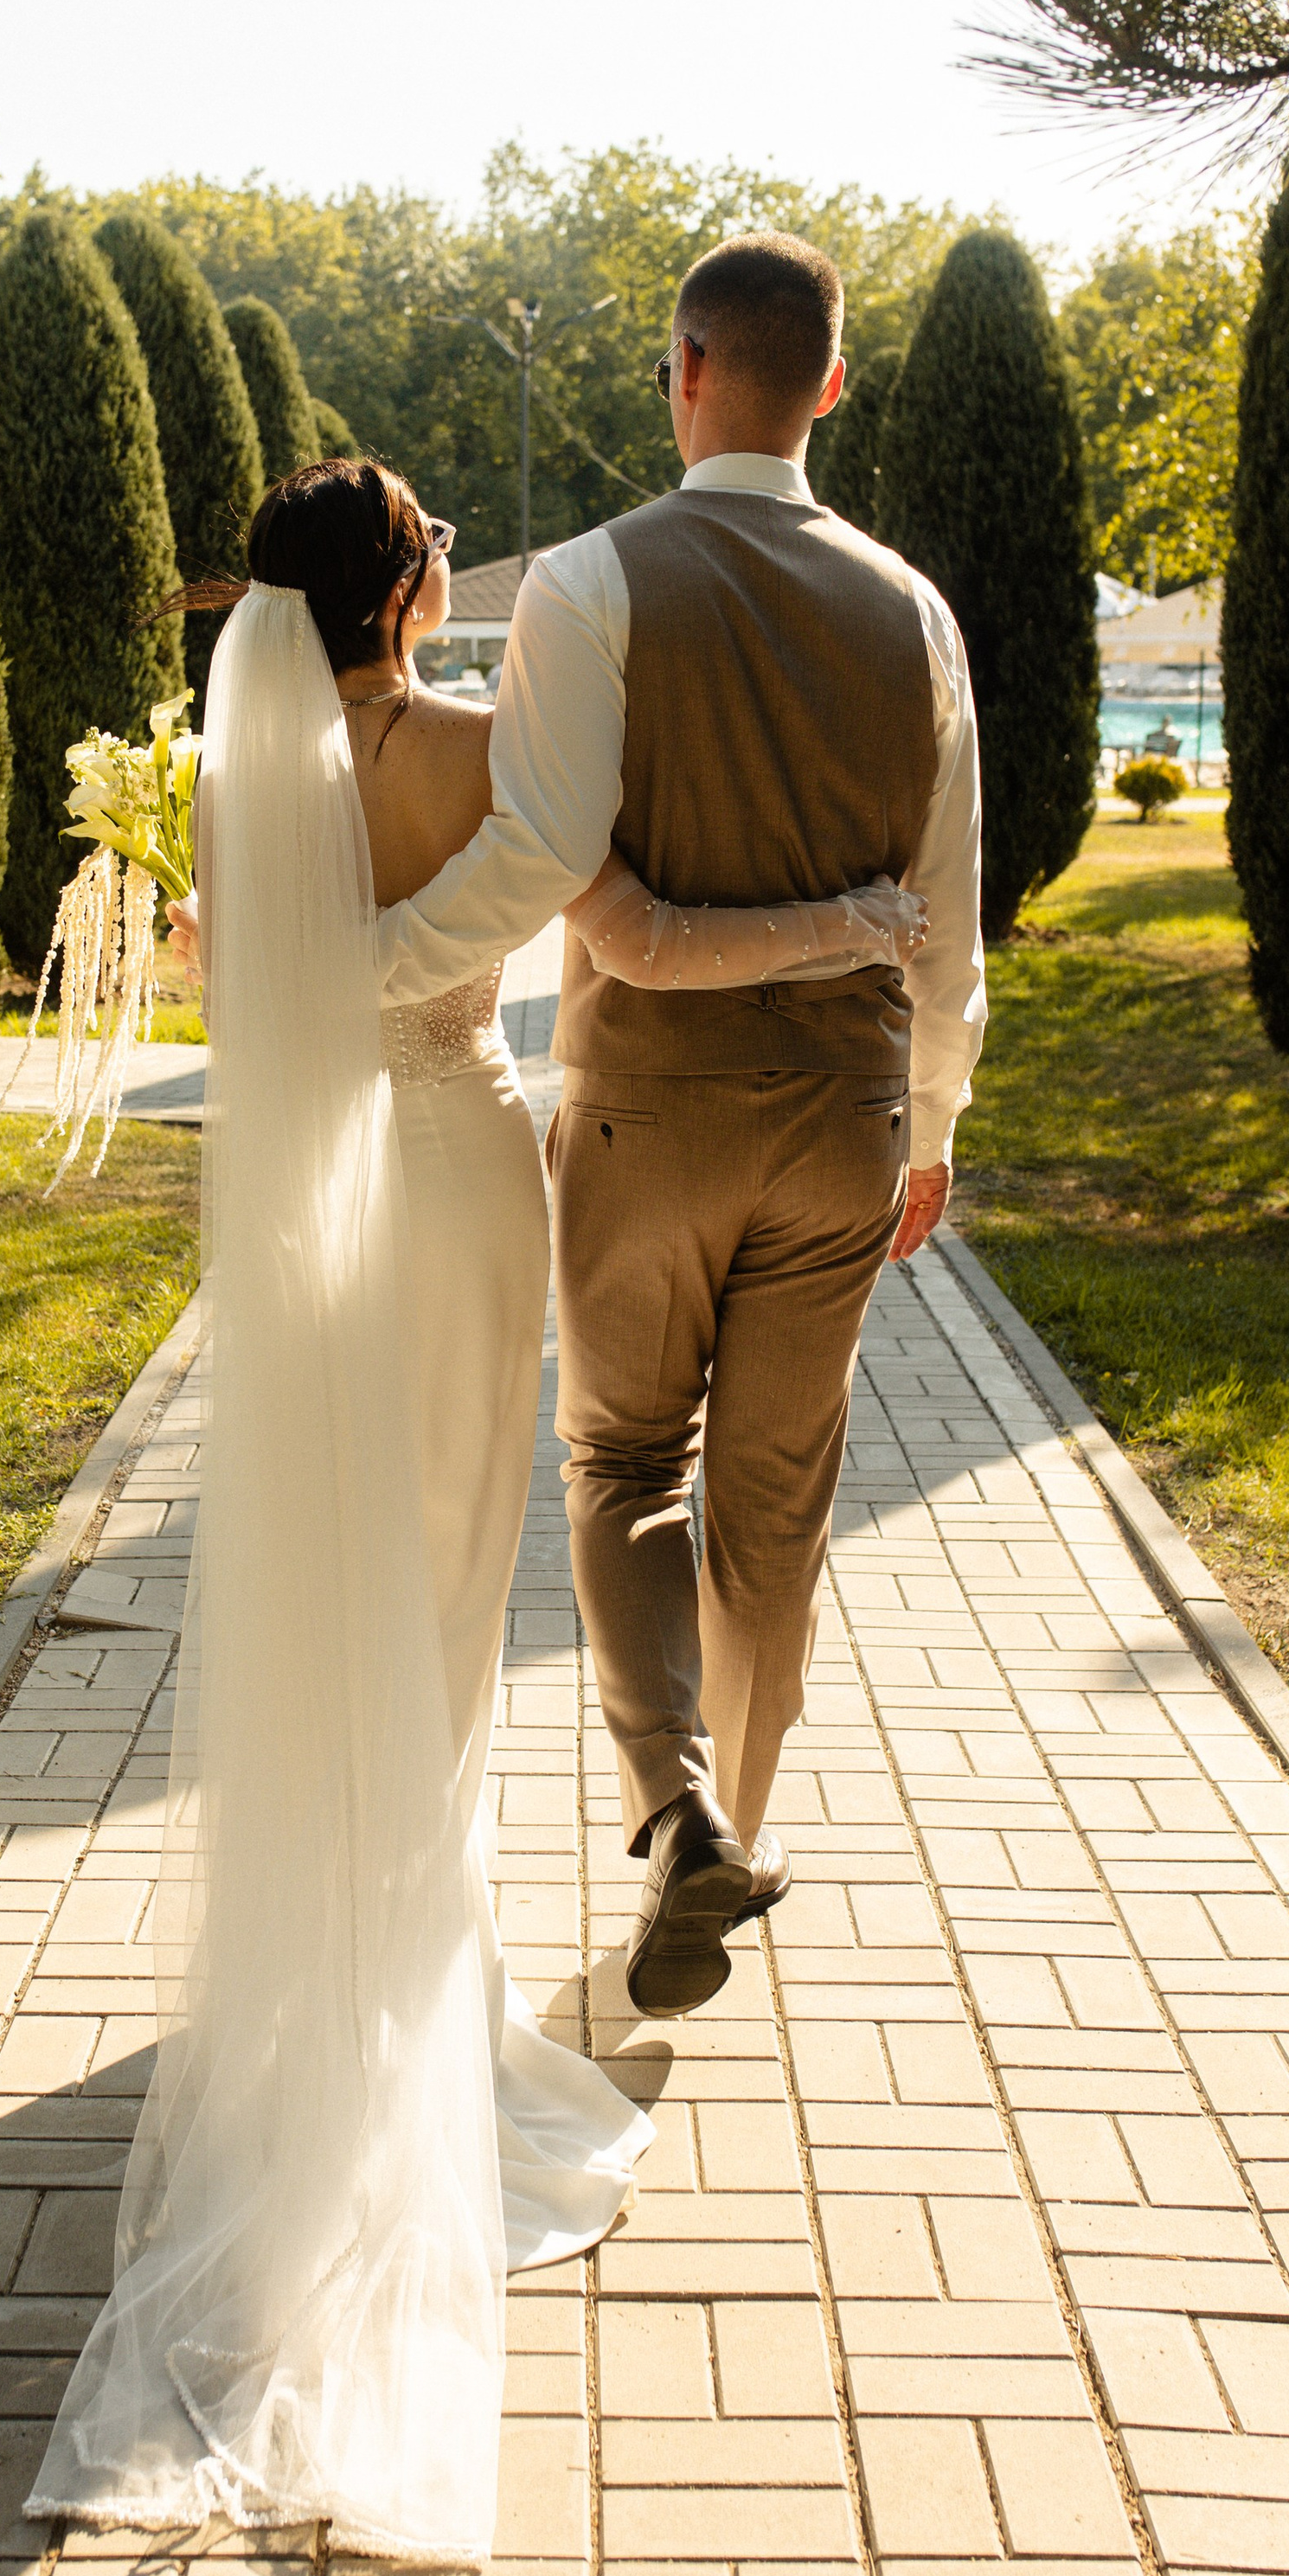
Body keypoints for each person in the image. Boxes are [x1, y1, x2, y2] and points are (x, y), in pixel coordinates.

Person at [29, 458, 928, 2565]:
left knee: (333, 1572)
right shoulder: (466, 744)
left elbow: (229, 984)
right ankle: (405, 2032)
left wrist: (297, 950)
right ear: (413, 582)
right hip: (448, 1184)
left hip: (304, 1219)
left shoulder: (236, 773)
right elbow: (559, 872)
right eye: (436, 541)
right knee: (442, 1588)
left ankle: (334, 1995)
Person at [378, 233, 986, 2022]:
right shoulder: (916, 611)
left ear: (682, 369)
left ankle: (677, 1810)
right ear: (833, 388)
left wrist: (345, 969)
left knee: (625, 1465)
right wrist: (933, 1118)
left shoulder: (586, 582)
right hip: (846, 1120)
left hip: (645, 1114)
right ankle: (739, 1816)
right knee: (775, 1508)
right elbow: (943, 909)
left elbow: (545, 864)